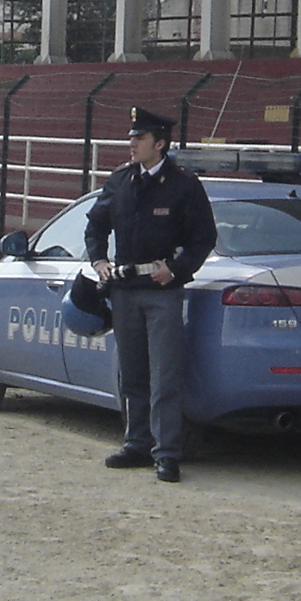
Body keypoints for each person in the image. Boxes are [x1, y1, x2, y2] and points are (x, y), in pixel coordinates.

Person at [85, 106, 217, 483]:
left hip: (162, 290)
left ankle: (167, 453)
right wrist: (98, 261)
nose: (131, 144)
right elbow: (95, 226)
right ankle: (137, 444)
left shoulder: (183, 184)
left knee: (165, 374)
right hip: (125, 289)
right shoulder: (120, 181)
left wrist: (175, 270)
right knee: (133, 374)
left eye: (139, 138)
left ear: (159, 144)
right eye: (131, 137)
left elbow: (203, 238)